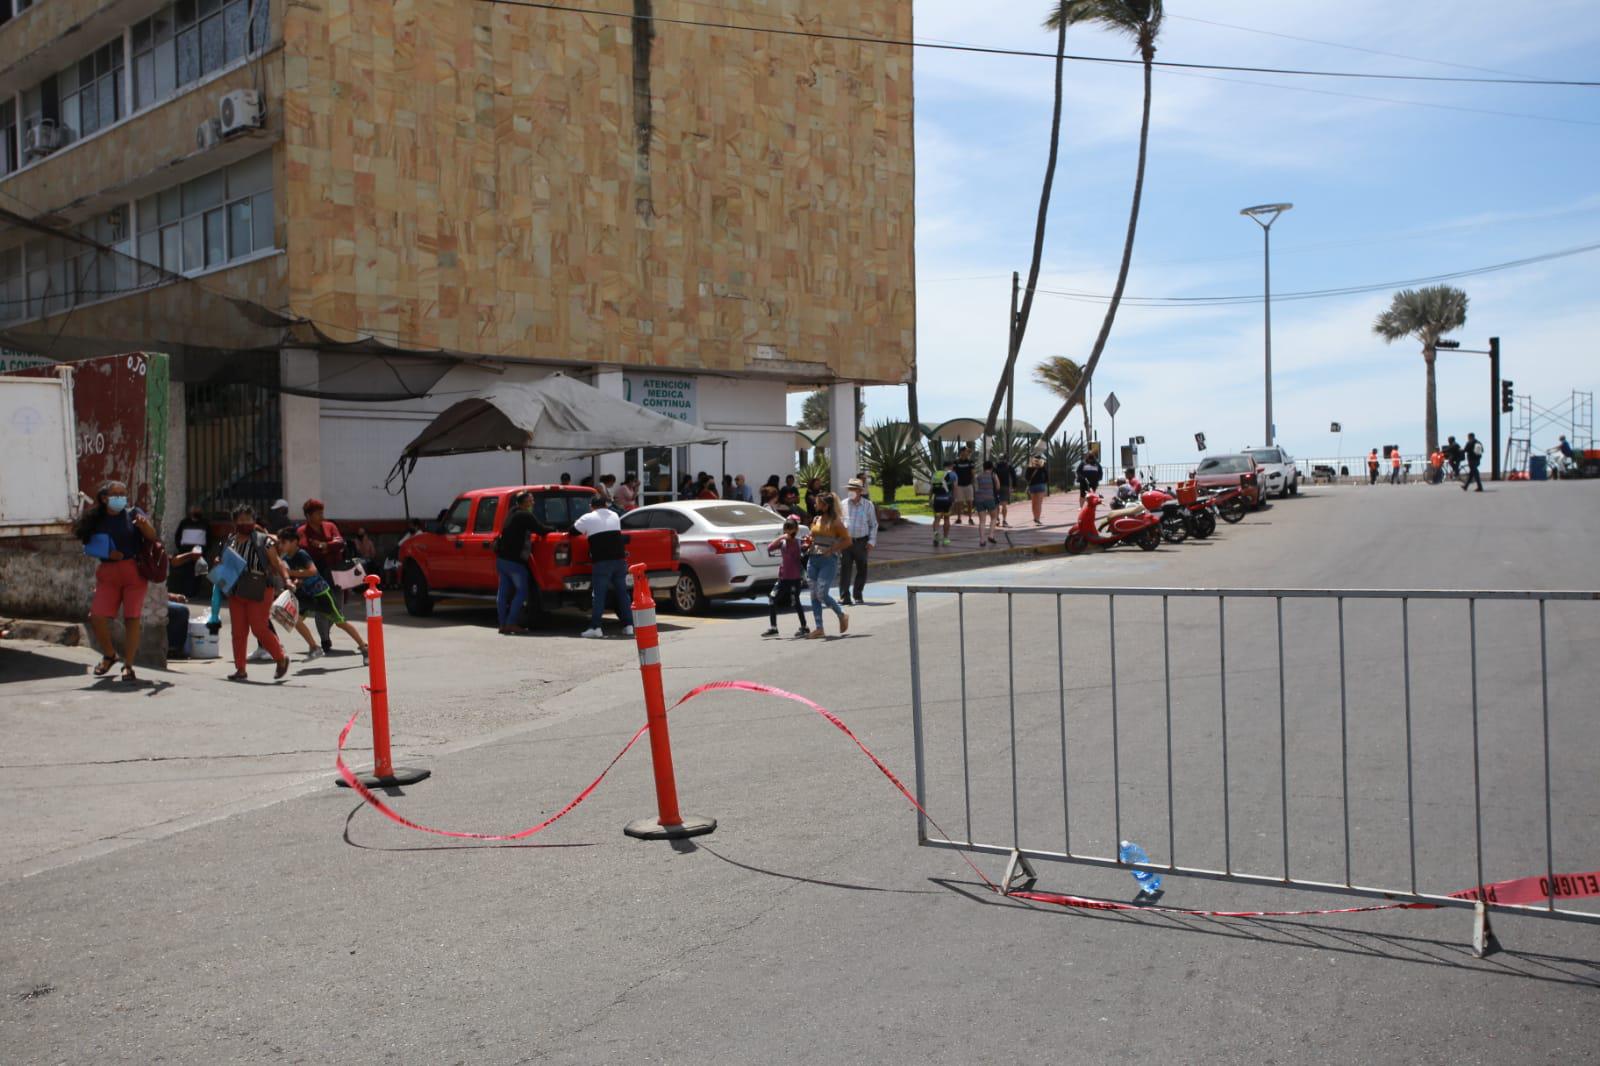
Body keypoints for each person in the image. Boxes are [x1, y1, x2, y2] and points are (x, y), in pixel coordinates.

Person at [77, 479, 159, 682]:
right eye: (116, 495)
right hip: (108, 572)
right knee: (97, 616)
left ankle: (128, 665)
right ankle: (110, 654)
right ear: (105, 498)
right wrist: (107, 552)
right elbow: (87, 546)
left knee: (132, 618)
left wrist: (144, 526)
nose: (121, 498)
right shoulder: (96, 519)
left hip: (134, 573)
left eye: (123, 494)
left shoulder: (133, 514)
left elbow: (152, 536)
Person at [277, 527, 369, 661]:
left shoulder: (301, 554)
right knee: (295, 620)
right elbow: (301, 575)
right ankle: (314, 647)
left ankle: (364, 646)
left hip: (321, 593)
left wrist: (291, 574)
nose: (281, 546)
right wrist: (295, 582)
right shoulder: (287, 558)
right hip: (307, 594)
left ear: (294, 542)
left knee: (340, 622)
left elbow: (312, 571)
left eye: (283, 542)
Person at [223, 506, 290, 681]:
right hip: (236, 588)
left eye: (248, 519)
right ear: (235, 521)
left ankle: (281, 658)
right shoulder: (230, 540)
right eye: (241, 519)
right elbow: (224, 560)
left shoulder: (263, 540)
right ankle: (240, 669)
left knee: (259, 628)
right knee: (238, 631)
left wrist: (287, 580)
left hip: (260, 587)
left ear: (254, 521)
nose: (245, 522)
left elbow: (277, 562)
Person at [575, 495, 634, 638]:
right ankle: (629, 625)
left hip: (602, 561)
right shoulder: (614, 515)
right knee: (622, 594)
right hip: (620, 560)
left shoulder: (587, 517)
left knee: (599, 595)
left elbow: (573, 531)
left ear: (591, 506)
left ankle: (596, 627)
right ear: (606, 506)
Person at [297, 499, 346, 653]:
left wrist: (325, 545)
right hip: (316, 576)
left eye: (321, 512)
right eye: (317, 513)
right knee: (321, 608)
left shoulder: (330, 526)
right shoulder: (302, 531)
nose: (321, 516)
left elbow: (339, 542)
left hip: (334, 572)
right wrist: (327, 548)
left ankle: (327, 630)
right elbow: (306, 548)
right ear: (308, 515)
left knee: (338, 607)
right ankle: (325, 639)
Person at [490, 491, 539, 634]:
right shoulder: (524, 515)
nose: (533, 503)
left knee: (503, 593)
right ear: (524, 503)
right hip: (514, 562)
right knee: (522, 591)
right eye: (531, 501)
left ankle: (502, 624)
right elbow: (540, 529)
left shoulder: (511, 512)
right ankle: (511, 623)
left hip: (502, 560)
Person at [803, 493, 850, 639]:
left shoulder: (835, 522)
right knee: (813, 594)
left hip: (828, 561)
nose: (815, 505)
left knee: (822, 593)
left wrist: (832, 550)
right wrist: (808, 540)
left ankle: (841, 615)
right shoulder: (816, 519)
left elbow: (847, 541)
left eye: (818, 503)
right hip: (813, 558)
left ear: (826, 505)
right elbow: (812, 536)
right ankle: (819, 628)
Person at [762, 518, 810, 638]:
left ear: (796, 530)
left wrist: (803, 544)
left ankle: (804, 627)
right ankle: (773, 628)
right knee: (772, 599)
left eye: (791, 530)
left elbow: (802, 552)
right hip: (783, 578)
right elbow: (769, 548)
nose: (789, 533)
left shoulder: (798, 542)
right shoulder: (782, 542)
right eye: (786, 530)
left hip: (795, 578)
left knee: (795, 602)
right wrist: (781, 538)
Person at [838, 478, 878, 607]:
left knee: (862, 569)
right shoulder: (843, 504)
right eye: (849, 489)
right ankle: (845, 596)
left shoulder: (868, 505)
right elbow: (839, 523)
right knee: (845, 569)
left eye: (854, 489)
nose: (851, 491)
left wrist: (871, 541)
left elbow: (873, 524)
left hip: (861, 542)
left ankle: (858, 595)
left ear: (860, 491)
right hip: (846, 542)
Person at [171, 504, 211, 598]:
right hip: (185, 552)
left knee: (198, 573)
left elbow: (209, 538)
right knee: (186, 573)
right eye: (195, 509)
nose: (197, 511)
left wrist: (204, 551)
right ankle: (186, 593)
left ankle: (195, 593)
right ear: (190, 511)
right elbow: (178, 536)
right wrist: (181, 549)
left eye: (198, 509)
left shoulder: (205, 523)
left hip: (199, 553)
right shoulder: (184, 523)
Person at [973, 460, 1001, 545]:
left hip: (979, 499)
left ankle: (982, 540)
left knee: (982, 521)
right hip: (989, 498)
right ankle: (991, 535)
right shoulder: (993, 475)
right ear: (992, 467)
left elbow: (975, 488)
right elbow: (998, 487)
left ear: (983, 467)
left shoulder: (978, 476)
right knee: (994, 517)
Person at [929, 461, 954, 546]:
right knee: (946, 518)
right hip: (947, 499)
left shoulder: (936, 474)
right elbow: (954, 487)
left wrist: (929, 499)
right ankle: (946, 539)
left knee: (937, 518)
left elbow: (931, 489)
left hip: (937, 499)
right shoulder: (951, 475)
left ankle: (936, 534)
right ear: (950, 466)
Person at [951, 447, 976, 524]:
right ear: (961, 452)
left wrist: (973, 484)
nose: (967, 453)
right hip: (959, 485)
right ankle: (959, 518)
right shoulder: (956, 462)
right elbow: (953, 473)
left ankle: (970, 518)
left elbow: (973, 473)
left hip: (968, 485)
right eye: (966, 451)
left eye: (968, 451)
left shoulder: (970, 462)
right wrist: (954, 484)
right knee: (959, 502)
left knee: (970, 502)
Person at [1027, 456, 1049, 524]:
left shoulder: (1030, 467)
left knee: (1034, 503)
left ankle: (1035, 517)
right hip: (1040, 485)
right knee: (1039, 503)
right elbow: (1047, 477)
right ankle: (1037, 519)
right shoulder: (1042, 467)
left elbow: (1026, 477)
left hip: (1032, 486)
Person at [994, 457, 1014, 528]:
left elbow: (992, 476)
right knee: (1004, 505)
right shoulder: (1008, 466)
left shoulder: (995, 466)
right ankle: (1004, 520)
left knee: (996, 505)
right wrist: (1014, 486)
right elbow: (1013, 476)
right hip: (1005, 486)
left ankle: (997, 519)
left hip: (996, 487)